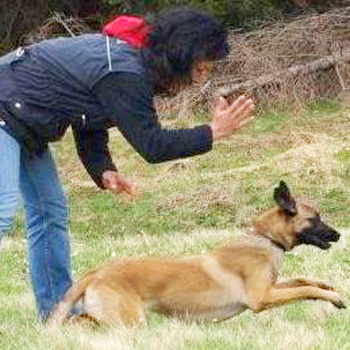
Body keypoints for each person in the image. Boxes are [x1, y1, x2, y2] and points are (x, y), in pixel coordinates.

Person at [0, 7, 255, 321]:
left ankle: (59, 316)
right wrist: (213, 132)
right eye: (202, 68)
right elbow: (153, 145)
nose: (203, 77)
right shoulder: (124, 71)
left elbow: (86, 115)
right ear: (182, 54)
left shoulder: (128, 61)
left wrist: (102, 169)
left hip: (22, 120)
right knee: (2, 209)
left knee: (49, 212)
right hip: (6, 109)